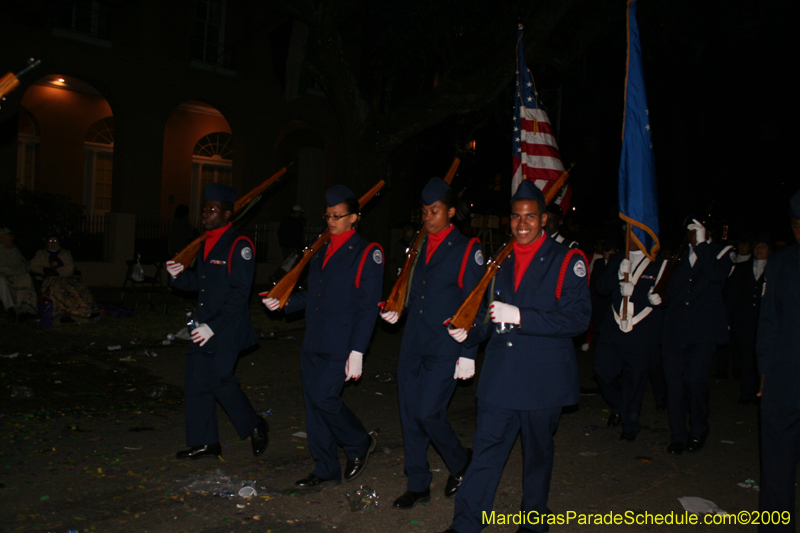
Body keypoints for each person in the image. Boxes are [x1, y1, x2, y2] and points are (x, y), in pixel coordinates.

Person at [439, 181, 591, 533]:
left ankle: (533, 522)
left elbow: (577, 319)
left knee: (537, 456)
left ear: (543, 220)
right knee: (486, 454)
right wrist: (469, 335)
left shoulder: (568, 260)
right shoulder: (500, 260)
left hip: (542, 379)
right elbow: (489, 316)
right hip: (501, 376)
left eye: (530, 217)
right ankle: (465, 524)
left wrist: (521, 315)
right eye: (517, 217)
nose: (523, 224)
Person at [263, 185, 383, 489]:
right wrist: (285, 302)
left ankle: (359, 443)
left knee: (324, 398)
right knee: (313, 405)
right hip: (314, 340)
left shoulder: (368, 253)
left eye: (337, 216)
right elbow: (315, 297)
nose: (331, 221)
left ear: (354, 217)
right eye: (327, 215)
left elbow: (367, 307)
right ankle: (325, 465)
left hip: (341, 343)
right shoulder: (320, 250)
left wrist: (358, 350)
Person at [379, 178, 484, 509]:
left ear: (451, 212)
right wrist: (397, 308)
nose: (428, 217)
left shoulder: (469, 248)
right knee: (410, 415)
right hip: (413, 342)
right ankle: (418, 482)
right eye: (424, 211)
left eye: (435, 211)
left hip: (445, 345)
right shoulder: (418, 245)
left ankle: (461, 462)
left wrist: (468, 351)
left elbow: (474, 303)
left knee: (428, 413)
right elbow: (413, 291)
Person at [165, 183, 268, 460]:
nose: (205, 214)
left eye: (211, 210)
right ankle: (204, 442)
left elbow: (239, 293)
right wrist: (177, 275)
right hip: (202, 326)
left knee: (221, 383)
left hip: (226, 327)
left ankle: (255, 424)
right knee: (197, 382)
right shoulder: (205, 244)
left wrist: (213, 326)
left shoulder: (240, 245)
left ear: (226, 214)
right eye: (204, 209)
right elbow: (202, 284)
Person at [661, 217, 734, 455]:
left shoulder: (722, 251)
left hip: (704, 330)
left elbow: (717, 275)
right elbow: (671, 287)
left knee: (694, 380)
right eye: (689, 231)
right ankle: (678, 435)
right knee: (674, 384)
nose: (691, 235)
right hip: (675, 329)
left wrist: (702, 246)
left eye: (696, 230)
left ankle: (699, 429)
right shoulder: (678, 255)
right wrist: (660, 298)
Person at [757, 190, 800, 533]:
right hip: (783, 379)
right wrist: (765, 369)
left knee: (778, 467)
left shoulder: (783, 262)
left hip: (785, 377)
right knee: (776, 467)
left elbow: (770, 322)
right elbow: (769, 321)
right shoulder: (782, 262)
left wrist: (767, 369)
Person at [593, 242, 666, 441]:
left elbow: (666, 295)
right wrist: (617, 276)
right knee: (603, 371)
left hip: (642, 329)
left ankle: (630, 424)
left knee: (635, 379)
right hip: (613, 328)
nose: (632, 238)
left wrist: (650, 297)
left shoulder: (660, 264)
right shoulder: (618, 259)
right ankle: (619, 407)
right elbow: (600, 288)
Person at [724, 234, 770, 404]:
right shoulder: (742, 268)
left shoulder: (774, 268)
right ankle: (746, 393)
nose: (759, 250)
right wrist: (729, 320)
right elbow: (732, 295)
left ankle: (762, 392)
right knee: (746, 358)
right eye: (757, 246)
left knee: (761, 359)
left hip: (764, 322)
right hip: (744, 321)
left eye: (763, 246)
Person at [30, 234, 99, 324]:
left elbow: (70, 267)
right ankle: (66, 313)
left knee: (78, 289)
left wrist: (58, 272)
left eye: (55, 241)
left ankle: (88, 311)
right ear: (47, 243)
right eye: (50, 241)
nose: (53, 244)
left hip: (65, 278)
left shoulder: (65, 253)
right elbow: (32, 266)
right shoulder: (41, 254)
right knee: (58, 290)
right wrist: (44, 270)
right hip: (49, 280)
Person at [0, 227, 38, 322]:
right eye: (9, 236)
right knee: (1, 280)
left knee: (26, 278)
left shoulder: (14, 250)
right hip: (4, 276)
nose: (12, 238)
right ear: (2, 237)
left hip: (16, 275)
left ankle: (25, 310)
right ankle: (11, 309)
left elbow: (23, 264)